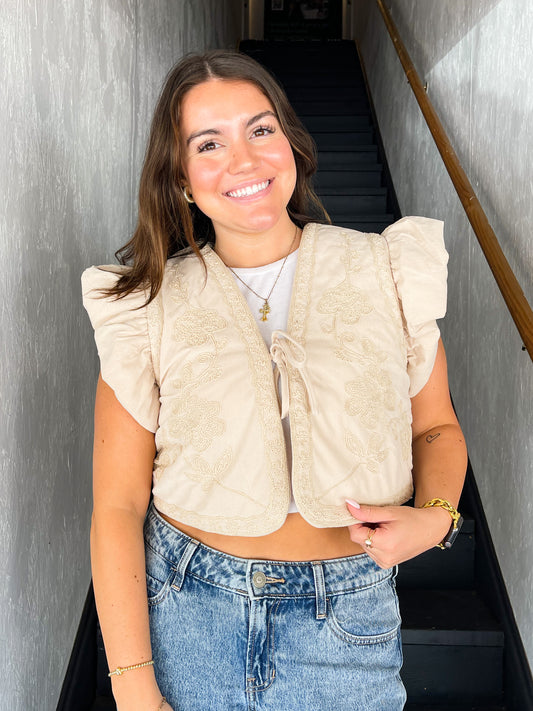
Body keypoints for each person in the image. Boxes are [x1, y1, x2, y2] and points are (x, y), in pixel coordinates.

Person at [82, 50, 467, 711]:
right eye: (209, 143)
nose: (243, 159)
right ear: (180, 178)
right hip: (188, 609)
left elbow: (435, 425)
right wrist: (134, 686)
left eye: (260, 129)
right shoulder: (146, 304)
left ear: (289, 140)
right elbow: (117, 507)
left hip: (348, 618)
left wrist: (434, 520)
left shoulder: (386, 272)